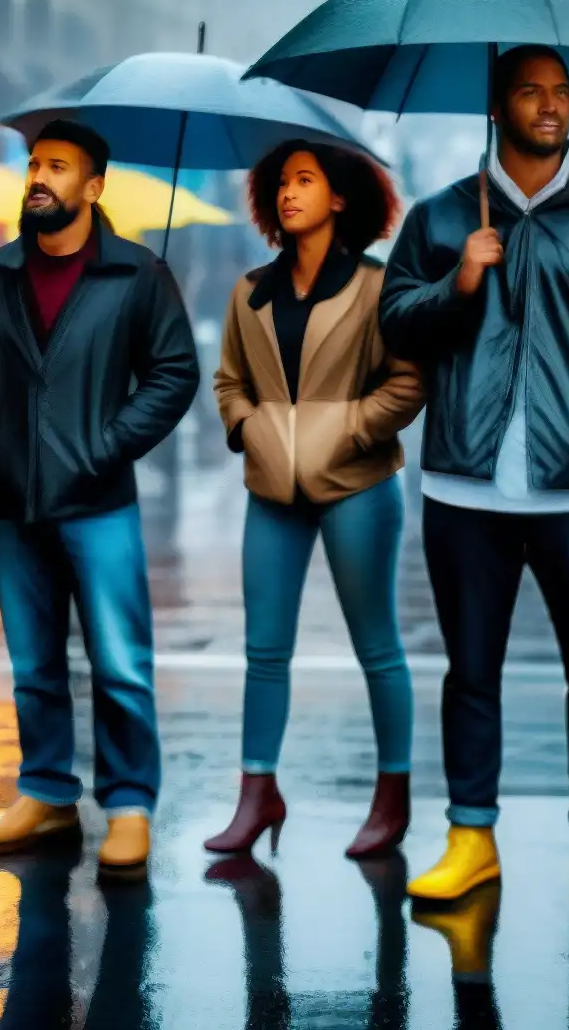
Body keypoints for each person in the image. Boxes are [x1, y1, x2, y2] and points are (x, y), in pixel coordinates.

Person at [381, 45, 569, 907]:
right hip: (463, 488)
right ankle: (471, 837)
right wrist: (460, 280)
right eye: (530, 92)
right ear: (498, 107)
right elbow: (397, 325)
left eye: (561, 93)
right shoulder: (439, 220)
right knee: (471, 670)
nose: (550, 107)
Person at [0, 120, 199, 883]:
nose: (39, 178)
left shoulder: (137, 275)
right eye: (33, 165)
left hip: (100, 502)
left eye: (57, 167)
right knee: (34, 665)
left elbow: (173, 374)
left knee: (120, 664)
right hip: (13, 502)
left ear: (93, 187)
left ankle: (128, 805)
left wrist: (107, 445)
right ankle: (48, 793)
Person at [207, 139, 425, 860]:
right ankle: (256, 793)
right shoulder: (250, 291)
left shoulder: (375, 286)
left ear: (340, 199)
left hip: (357, 485)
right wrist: (250, 427)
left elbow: (407, 381)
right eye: (281, 183)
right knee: (263, 651)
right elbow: (230, 380)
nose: (289, 194)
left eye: (306, 181)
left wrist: (347, 431)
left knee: (378, 650)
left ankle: (392, 797)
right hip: (270, 490)